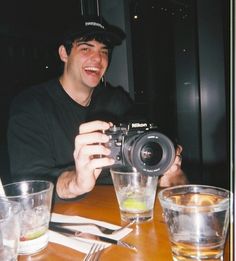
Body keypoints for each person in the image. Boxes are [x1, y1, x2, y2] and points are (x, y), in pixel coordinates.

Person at [7, 16, 187, 200]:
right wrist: (76, 183)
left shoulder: (117, 101)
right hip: (61, 220)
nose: (98, 58)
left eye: (104, 51)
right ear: (64, 53)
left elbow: (148, 160)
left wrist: (170, 171)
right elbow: (30, 186)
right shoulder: (31, 105)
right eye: (86, 48)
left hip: (118, 213)